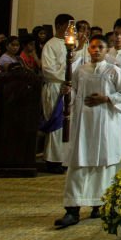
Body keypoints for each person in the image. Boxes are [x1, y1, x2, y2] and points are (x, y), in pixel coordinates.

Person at [54, 35, 121, 228]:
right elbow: (74, 94)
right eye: (93, 47)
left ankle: (99, 203)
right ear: (88, 50)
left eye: (100, 47)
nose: (96, 50)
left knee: (103, 164)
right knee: (79, 162)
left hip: (105, 125)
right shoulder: (80, 71)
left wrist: (107, 98)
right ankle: (72, 209)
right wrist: (68, 94)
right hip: (83, 125)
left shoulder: (114, 71)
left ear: (106, 50)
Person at [42, 14, 74, 173]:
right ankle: (53, 160)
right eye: (69, 26)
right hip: (55, 88)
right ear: (60, 25)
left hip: (68, 88)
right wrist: (66, 76)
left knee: (67, 126)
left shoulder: (70, 45)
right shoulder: (50, 45)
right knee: (57, 125)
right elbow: (48, 70)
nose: (71, 30)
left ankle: (64, 159)